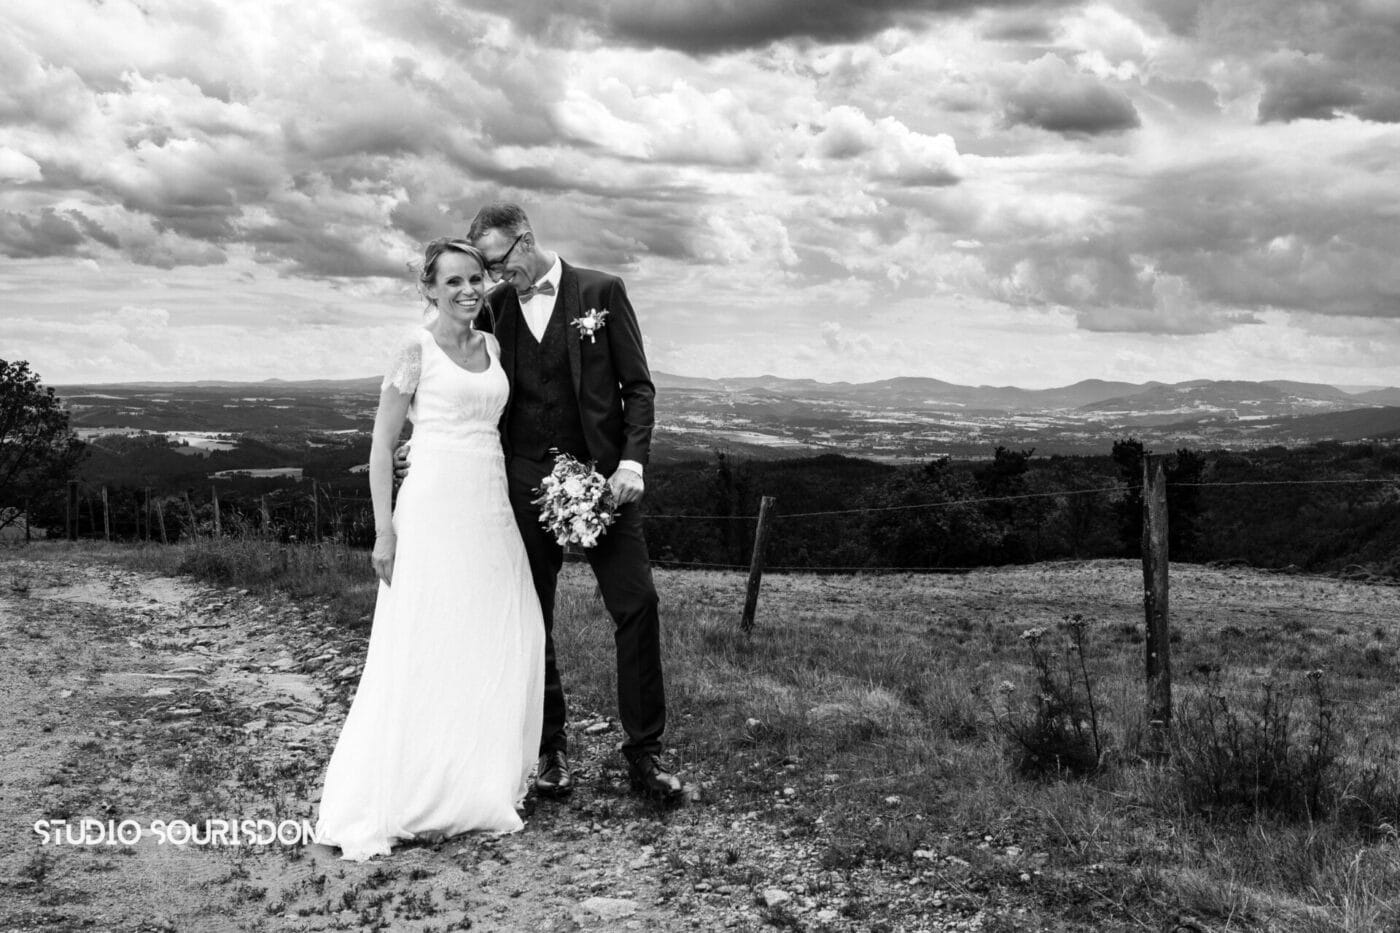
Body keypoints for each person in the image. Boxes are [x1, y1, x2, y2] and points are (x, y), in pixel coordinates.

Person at [314, 239, 545, 861]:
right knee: (427, 636)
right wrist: (384, 530)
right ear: (429, 289)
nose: (468, 291)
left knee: (492, 633)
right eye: (453, 282)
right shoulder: (413, 350)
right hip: (435, 508)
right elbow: (381, 448)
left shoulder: (492, 346)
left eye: (475, 279)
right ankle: (410, 786)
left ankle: (474, 782)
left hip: (489, 505)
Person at [467, 201, 682, 801]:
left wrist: (632, 463)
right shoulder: (497, 307)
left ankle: (644, 755)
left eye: (497, 262)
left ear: (526, 240)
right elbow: (473, 386)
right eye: (485, 269)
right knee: (532, 617)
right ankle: (549, 751)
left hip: (604, 479)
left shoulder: (602, 291)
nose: (493, 277)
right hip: (525, 479)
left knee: (636, 606)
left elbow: (637, 387)